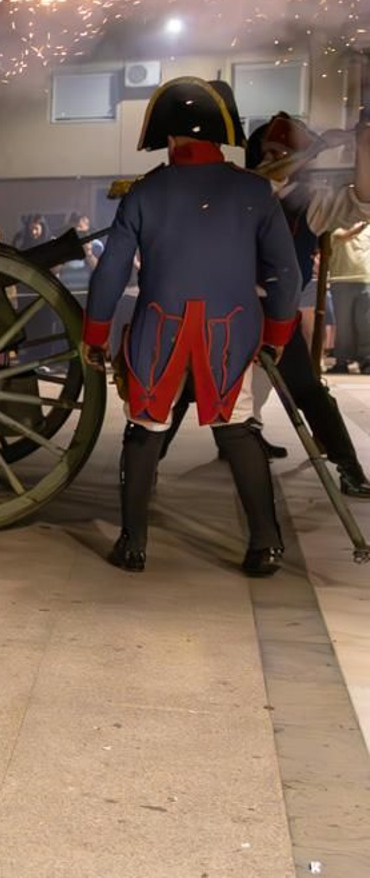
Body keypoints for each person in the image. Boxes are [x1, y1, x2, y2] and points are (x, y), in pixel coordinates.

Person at [83, 77, 299, 577]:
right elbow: (283, 275)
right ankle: (265, 544)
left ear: (168, 135)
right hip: (231, 329)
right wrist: (278, 335)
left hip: (160, 328)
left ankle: (133, 545)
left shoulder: (144, 192)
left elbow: (111, 273)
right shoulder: (255, 191)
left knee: (145, 430)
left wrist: (95, 335)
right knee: (238, 431)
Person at [230, 112, 370, 496]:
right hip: (227, 311)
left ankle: (349, 468)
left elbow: (363, 199)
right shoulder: (236, 193)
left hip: (276, 314)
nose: (271, 158)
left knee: (309, 391)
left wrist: (363, 146)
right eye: (267, 151)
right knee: (186, 389)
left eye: (281, 151)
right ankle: (145, 469)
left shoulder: (309, 202)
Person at [330, 222, 370, 373]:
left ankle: (367, 360)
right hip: (341, 280)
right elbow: (343, 235)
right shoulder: (335, 225)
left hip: (366, 279)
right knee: (344, 325)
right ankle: (342, 361)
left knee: (366, 323)